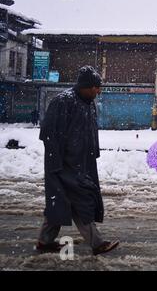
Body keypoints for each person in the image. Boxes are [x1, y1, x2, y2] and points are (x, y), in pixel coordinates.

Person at [36, 66, 119, 255]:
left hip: (82, 163)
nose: (98, 91)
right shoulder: (63, 101)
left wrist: (92, 156)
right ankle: (97, 243)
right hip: (64, 165)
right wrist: (57, 164)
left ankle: (44, 241)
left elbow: (90, 132)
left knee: (60, 203)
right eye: (95, 87)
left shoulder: (88, 103)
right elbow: (49, 134)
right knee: (80, 201)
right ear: (84, 86)